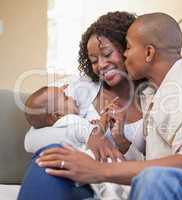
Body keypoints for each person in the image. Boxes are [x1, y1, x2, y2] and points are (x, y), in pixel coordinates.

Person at [20, 12, 182, 200]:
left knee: (152, 179)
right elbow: (160, 152)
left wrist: (97, 170)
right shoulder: (153, 93)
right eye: (95, 59)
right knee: (53, 158)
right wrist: (123, 142)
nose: (125, 56)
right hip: (171, 186)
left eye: (126, 47)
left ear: (148, 53)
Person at [18, 11, 145, 199]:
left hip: (118, 183)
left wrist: (124, 144)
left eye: (107, 53)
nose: (101, 65)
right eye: (94, 61)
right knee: (49, 158)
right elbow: (31, 140)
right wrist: (88, 134)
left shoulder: (153, 99)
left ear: (127, 48)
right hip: (74, 180)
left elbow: (155, 168)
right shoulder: (80, 87)